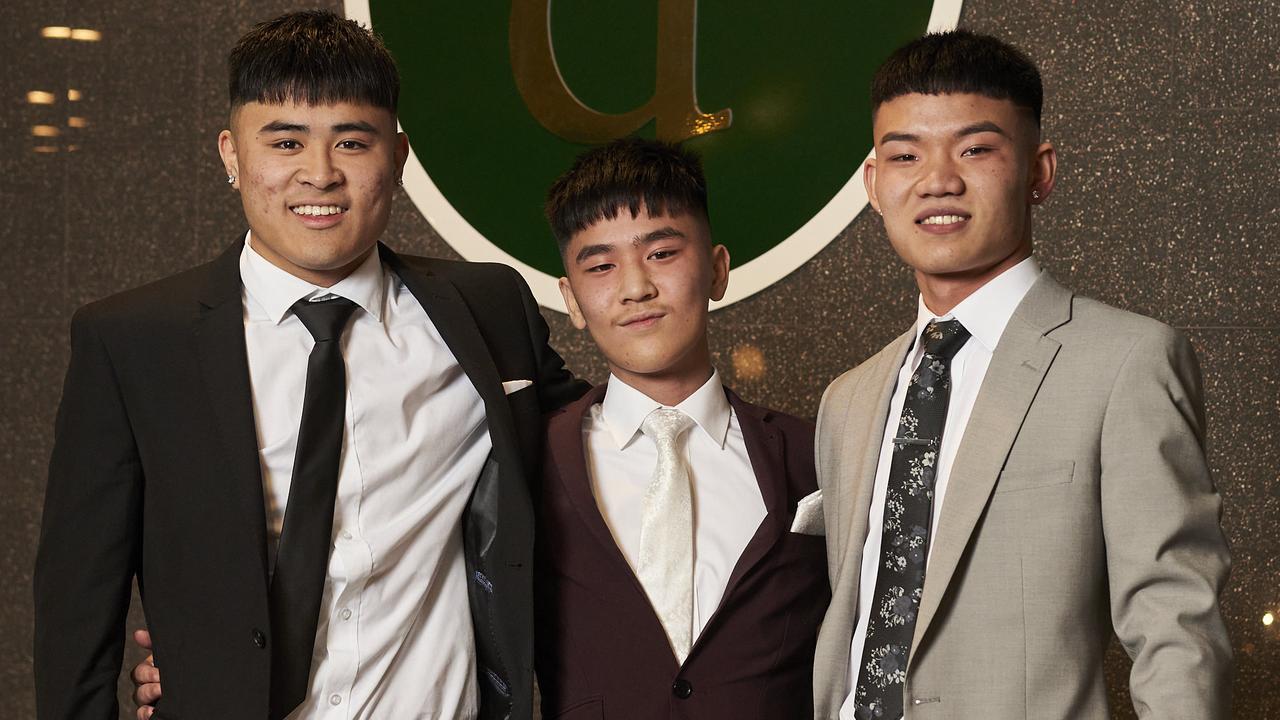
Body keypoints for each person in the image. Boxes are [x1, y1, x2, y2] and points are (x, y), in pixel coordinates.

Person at [33, 11, 584, 720]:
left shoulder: (487, 310)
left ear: (399, 156)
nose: (320, 175)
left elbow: (604, 449)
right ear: (231, 155)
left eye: (352, 142)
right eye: (285, 141)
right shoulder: (135, 341)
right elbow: (78, 602)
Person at [811, 30, 1232, 720]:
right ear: (873, 185)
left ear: (1039, 171)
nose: (938, 179)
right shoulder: (849, 398)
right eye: (905, 155)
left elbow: (1176, 620)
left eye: (976, 149)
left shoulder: (1126, 360)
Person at [533, 139, 829, 718]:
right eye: (600, 266)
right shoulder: (530, 458)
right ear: (570, 297)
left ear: (718, 269)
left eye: (663, 253)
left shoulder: (814, 453)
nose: (635, 287)